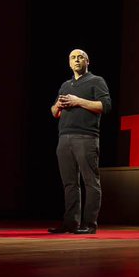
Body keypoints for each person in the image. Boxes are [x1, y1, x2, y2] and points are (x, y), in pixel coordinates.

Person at [50, 49, 111, 234]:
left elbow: (105, 106)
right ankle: (70, 224)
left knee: (90, 182)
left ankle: (89, 225)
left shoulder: (96, 81)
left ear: (87, 61)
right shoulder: (65, 85)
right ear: (69, 63)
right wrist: (57, 106)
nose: (76, 60)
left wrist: (78, 101)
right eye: (73, 58)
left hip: (86, 137)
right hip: (64, 138)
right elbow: (54, 113)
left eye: (80, 57)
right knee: (69, 183)